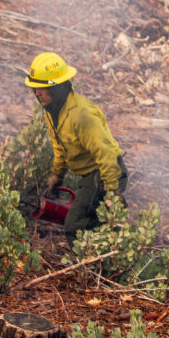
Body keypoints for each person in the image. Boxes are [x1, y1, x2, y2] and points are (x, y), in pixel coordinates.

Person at [25, 52, 128, 245]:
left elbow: (106, 154)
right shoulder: (52, 110)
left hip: (104, 172)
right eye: (34, 88)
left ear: (57, 89)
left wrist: (112, 193)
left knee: (75, 226)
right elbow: (60, 146)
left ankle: (101, 268)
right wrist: (57, 175)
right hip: (88, 173)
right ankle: (108, 246)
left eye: (41, 88)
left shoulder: (82, 115)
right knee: (94, 222)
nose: (37, 93)